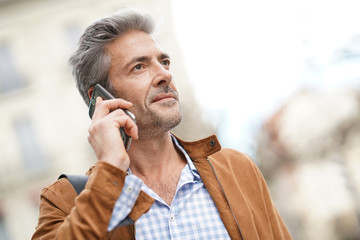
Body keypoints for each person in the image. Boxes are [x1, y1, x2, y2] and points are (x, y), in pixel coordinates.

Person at [32, 8, 292, 240]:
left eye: (164, 61)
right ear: (100, 98)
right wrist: (110, 170)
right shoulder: (64, 201)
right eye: (139, 67)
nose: (165, 74)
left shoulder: (237, 169)